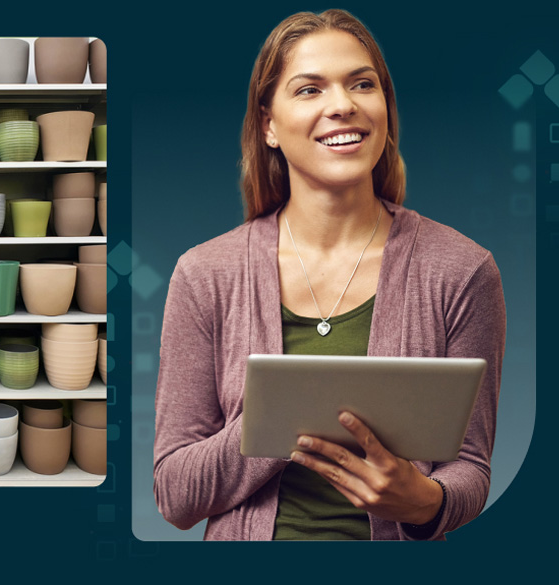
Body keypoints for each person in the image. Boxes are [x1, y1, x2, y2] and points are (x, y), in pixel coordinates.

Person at [152, 9, 506, 541]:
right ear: (268, 125)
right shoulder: (204, 275)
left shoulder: (462, 270)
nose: (343, 106)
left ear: (384, 109)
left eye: (362, 84)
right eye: (309, 90)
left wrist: (424, 502)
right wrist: (283, 416)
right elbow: (175, 495)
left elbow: (471, 469)